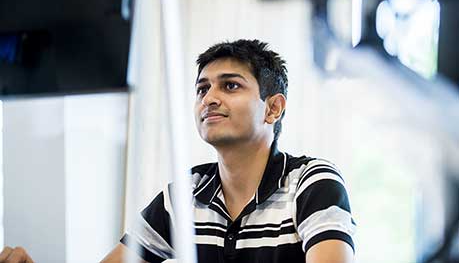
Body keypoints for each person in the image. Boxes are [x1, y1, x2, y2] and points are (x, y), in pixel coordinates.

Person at [0, 39, 356, 263]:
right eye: (202, 89)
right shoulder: (186, 194)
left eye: (230, 86)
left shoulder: (311, 183)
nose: (209, 98)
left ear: (273, 108)